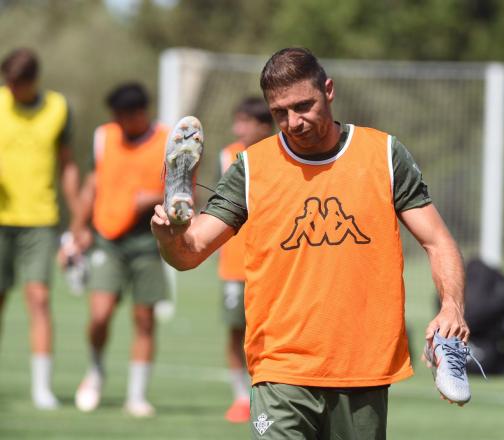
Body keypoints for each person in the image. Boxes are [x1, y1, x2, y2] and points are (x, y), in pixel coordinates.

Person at [152, 47, 468, 438]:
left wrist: (451, 307)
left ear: (329, 90)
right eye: (279, 113)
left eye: (303, 106)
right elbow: (190, 252)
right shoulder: (251, 168)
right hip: (279, 367)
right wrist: (169, 238)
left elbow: (439, 241)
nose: (293, 122)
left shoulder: (383, 155)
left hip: (363, 366)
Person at [72, 82, 169, 418]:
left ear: (140, 113)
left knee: (144, 319)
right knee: (100, 314)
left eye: (121, 116)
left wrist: (153, 198)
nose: (116, 121)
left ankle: (137, 395)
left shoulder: (168, 141)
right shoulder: (104, 137)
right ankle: (96, 372)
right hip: (106, 240)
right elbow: (91, 184)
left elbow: (185, 195)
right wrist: (77, 230)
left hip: (148, 242)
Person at [0, 48, 80, 410]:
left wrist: (78, 218)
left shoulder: (58, 109)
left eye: (16, 84)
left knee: (39, 300)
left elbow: (67, 167)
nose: (11, 89)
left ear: (32, 81)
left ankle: (42, 388)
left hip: (40, 219)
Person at [217, 97, 273, 423]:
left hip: (274, 262)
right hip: (235, 263)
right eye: (237, 121)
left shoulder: (286, 154)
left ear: (264, 126)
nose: (239, 129)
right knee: (235, 329)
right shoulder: (227, 155)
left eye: (245, 122)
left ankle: (270, 390)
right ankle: (240, 396)